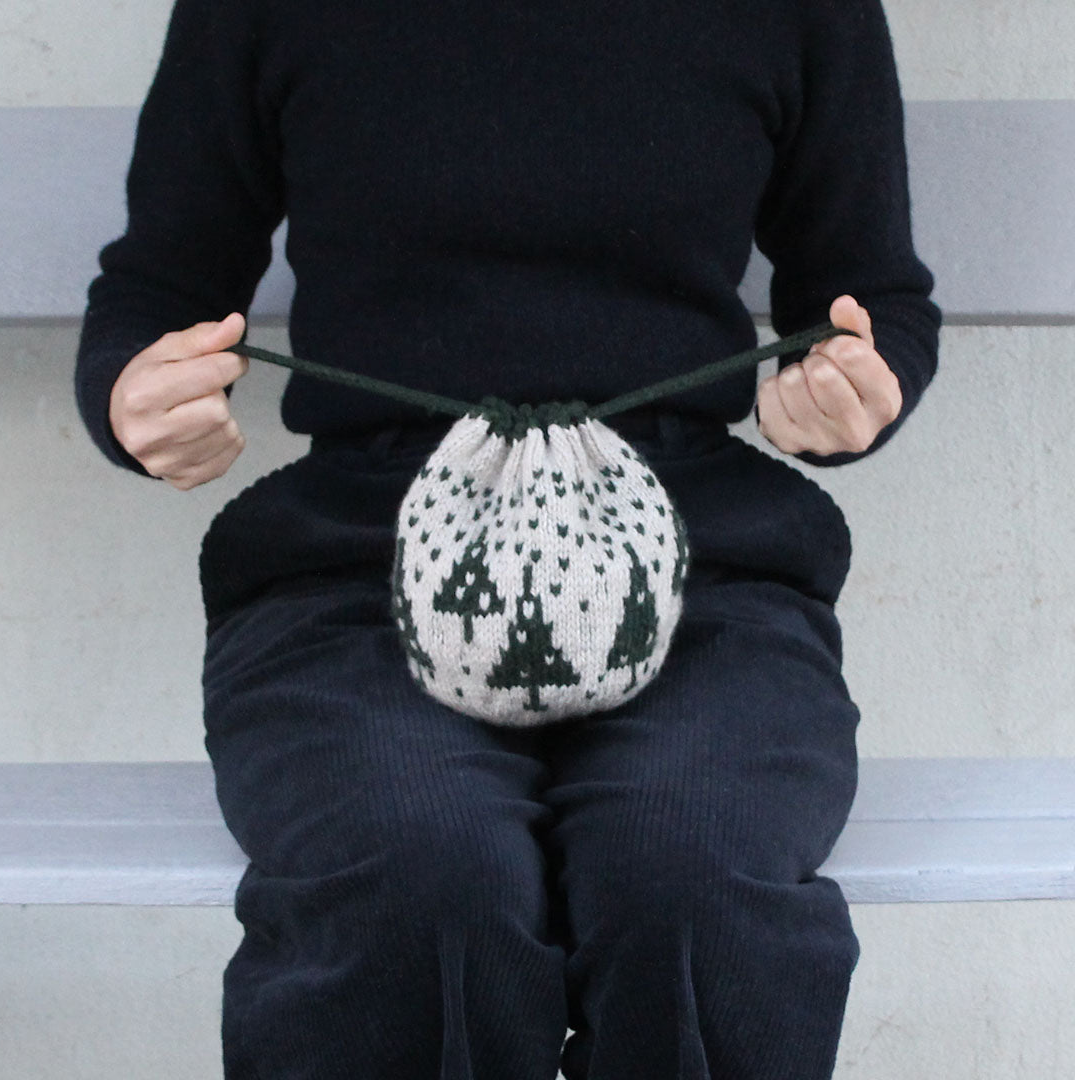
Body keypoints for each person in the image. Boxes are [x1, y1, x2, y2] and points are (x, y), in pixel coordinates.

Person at [75, 0, 941, 1076]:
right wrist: (133, 394)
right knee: (419, 873)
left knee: (691, 868)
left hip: (696, 564)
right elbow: (161, 287)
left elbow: (873, 295)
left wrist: (855, 387)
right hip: (361, 566)